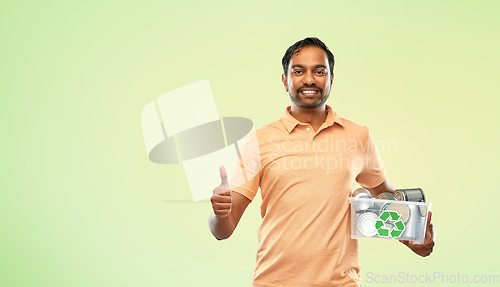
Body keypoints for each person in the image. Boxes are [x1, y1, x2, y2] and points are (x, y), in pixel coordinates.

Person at [208, 37, 435, 287]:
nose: (309, 79)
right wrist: (219, 214)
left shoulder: (358, 136)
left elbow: (388, 204)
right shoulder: (259, 141)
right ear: (285, 80)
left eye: (319, 71)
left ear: (331, 79)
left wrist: (417, 238)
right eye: (298, 71)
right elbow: (223, 231)